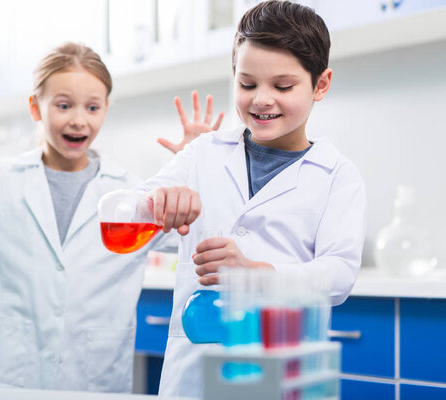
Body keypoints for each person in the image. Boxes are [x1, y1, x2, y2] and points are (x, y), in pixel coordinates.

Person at [0, 42, 222, 392]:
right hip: (5, 379)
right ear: (36, 107)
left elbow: (200, 235)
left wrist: (195, 170)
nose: (79, 119)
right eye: (63, 105)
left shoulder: (132, 196)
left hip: (93, 379)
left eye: (92, 107)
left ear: (106, 109)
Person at [136, 1, 367, 397]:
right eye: (247, 84)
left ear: (321, 84)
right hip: (193, 377)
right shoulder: (202, 153)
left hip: (279, 372)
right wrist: (161, 199)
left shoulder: (337, 176)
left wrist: (256, 273)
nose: (261, 99)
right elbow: (138, 211)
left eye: (282, 86)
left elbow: (339, 273)